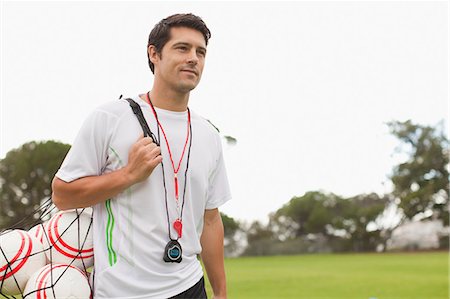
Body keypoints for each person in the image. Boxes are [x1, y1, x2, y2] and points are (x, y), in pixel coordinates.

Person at [52, 13, 231, 299]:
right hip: (120, 292)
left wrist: (220, 293)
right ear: (154, 54)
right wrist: (128, 176)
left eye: (201, 52)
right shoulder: (110, 117)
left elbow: (210, 220)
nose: (194, 59)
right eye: (182, 48)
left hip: (189, 286)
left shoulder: (208, 135)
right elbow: (62, 195)